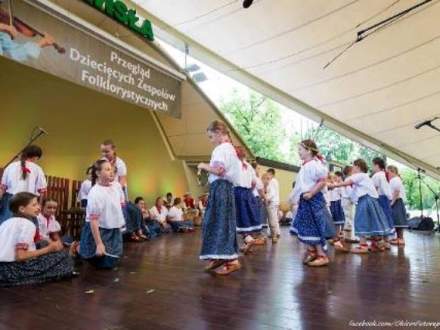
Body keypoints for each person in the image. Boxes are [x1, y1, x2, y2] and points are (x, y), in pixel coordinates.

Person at [0, 192, 73, 287]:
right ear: (22, 209)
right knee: (64, 258)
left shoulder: (5, 223)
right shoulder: (28, 225)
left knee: (43, 247)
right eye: (34, 205)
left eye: (38, 204)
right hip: (13, 270)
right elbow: (20, 256)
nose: (38, 207)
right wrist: (49, 249)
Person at [197, 120, 241, 275]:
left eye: (210, 137)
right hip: (225, 189)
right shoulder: (230, 149)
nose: (210, 140)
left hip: (221, 188)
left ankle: (229, 260)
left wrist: (203, 165)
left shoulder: (222, 149)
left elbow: (219, 170)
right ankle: (220, 255)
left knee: (217, 222)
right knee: (221, 223)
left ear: (218, 133)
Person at [330, 159, 393, 253]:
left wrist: (334, 186)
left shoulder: (361, 175)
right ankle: (376, 243)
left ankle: (363, 245)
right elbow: (352, 192)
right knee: (372, 222)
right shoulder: (363, 177)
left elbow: (349, 182)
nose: (353, 168)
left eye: (354, 166)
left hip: (366, 200)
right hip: (368, 200)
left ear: (358, 167)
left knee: (361, 220)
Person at [289, 140, 333, 267]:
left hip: (312, 199)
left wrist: (312, 193)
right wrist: (295, 197)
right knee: (306, 226)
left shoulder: (314, 165)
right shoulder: (306, 165)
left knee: (314, 226)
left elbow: (322, 180)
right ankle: (312, 250)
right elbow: (300, 185)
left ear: (309, 151)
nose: (299, 152)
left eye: (301, 150)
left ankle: (322, 255)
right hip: (306, 199)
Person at [79, 159, 125, 269]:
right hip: (99, 230)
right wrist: (99, 244)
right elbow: (93, 220)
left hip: (113, 229)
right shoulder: (95, 193)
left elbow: (119, 206)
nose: (111, 172)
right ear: (98, 173)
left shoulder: (116, 186)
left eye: (112, 170)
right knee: (104, 264)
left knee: (112, 261)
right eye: (107, 169)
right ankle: (78, 248)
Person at [0, 145, 47, 224]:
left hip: (10, 200)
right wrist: (40, 205)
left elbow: (3, 188)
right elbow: (42, 190)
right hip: (28, 201)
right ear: (36, 157)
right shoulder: (38, 169)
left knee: (6, 225)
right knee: (27, 225)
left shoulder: (11, 166)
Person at [233, 146, 262, 253]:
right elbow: (254, 182)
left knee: (239, 219)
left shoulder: (234, 165)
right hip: (248, 193)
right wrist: (250, 190)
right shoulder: (249, 166)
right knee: (247, 220)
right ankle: (247, 243)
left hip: (237, 192)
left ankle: (248, 239)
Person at [371, 157, 395, 249]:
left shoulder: (377, 175)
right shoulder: (384, 174)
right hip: (385, 198)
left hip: (379, 198)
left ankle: (380, 242)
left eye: (373, 165)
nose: (372, 167)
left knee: (379, 219)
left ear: (377, 165)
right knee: (385, 218)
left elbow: (374, 188)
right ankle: (386, 241)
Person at [387, 165, 408, 246]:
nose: (388, 174)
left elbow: (396, 191)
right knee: (396, 220)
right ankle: (399, 237)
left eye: (388, 172)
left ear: (393, 171)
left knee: (398, 220)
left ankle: (401, 238)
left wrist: (392, 202)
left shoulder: (395, 179)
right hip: (396, 200)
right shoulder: (395, 179)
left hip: (397, 201)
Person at [341, 166, 358, 243]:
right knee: (350, 217)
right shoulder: (349, 179)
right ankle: (351, 237)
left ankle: (347, 236)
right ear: (349, 172)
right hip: (348, 199)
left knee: (348, 218)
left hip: (346, 199)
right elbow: (349, 191)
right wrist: (354, 200)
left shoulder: (347, 179)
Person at [265, 168, 281, 243]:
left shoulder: (272, 181)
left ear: (271, 174)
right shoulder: (275, 181)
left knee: (272, 218)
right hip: (275, 201)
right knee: (274, 217)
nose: (267, 175)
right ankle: (277, 232)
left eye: (268, 174)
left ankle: (273, 233)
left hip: (272, 201)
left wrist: (267, 199)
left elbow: (272, 193)